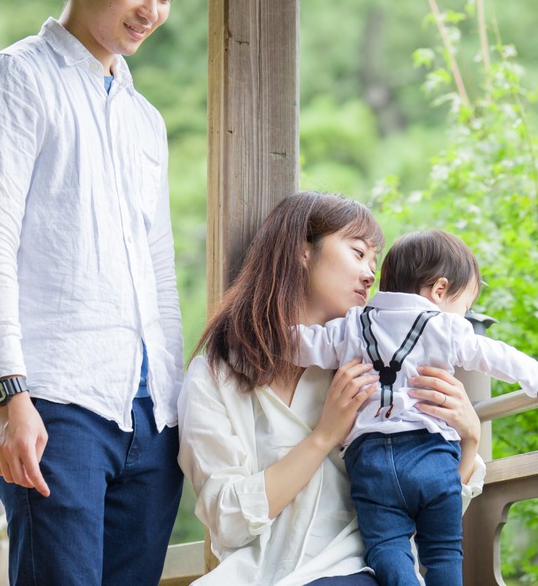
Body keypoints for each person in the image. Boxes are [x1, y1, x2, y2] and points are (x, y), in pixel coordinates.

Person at [0, 0, 194, 586]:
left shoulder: (146, 120)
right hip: (54, 398)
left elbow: (157, 269)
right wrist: (6, 394)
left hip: (149, 415)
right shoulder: (16, 79)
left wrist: (175, 408)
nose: (152, 10)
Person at [178, 192, 487, 586]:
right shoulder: (213, 378)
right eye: (359, 253)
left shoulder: (377, 367)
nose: (370, 274)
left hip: (356, 570)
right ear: (301, 251)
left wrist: (470, 439)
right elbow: (228, 521)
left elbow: (432, 512)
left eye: (375, 261)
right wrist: (324, 435)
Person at [292, 229, 538, 586]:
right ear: (438, 291)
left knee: (387, 548)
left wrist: (251, 333)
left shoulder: (351, 326)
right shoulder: (446, 327)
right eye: (464, 308)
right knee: (444, 552)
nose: (462, 317)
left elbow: (303, 343)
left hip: (370, 463)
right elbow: (496, 355)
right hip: (431, 454)